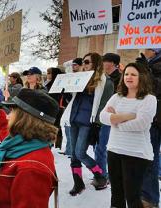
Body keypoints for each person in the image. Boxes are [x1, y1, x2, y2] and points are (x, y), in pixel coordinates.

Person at [0, 78, 58, 208]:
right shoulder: (23, 142)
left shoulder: (32, 170)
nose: (8, 115)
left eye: (13, 111)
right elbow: (3, 128)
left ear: (24, 118)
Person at [100, 62, 157, 208]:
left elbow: (141, 124)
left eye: (133, 74)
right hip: (114, 150)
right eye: (126, 74)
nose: (128, 77)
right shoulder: (116, 97)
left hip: (136, 153)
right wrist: (129, 116)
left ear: (142, 77)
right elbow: (102, 117)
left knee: (132, 196)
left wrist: (115, 119)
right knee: (116, 194)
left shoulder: (149, 99)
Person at [62, 52, 113, 195]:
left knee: (80, 152)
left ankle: (100, 175)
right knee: (73, 153)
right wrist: (66, 89)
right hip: (73, 118)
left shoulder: (104, 81)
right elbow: (71, 99)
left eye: (86, 62)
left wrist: (98, 124)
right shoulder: (79, 78)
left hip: (87, 121)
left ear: (95, 63)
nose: (83, 65)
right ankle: (78, 183)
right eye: (83, 62)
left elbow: (105, 104)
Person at [139, 48, 161, 208]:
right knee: (147, 158)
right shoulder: (147, 64)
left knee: (149, 159)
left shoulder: (154, 66)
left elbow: (156, 87)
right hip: (149, 118)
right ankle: (147, 197)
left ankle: (149, 198)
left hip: (156, 117)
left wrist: (146, 70)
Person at [94, 53, 120, 181]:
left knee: (102, 147)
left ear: (112, 63)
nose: (103, 63)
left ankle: (102, 174)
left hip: (111, 118)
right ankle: (101, 172)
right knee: (98, 146)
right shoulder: (102, 78)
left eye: (105, 61)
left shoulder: (119, 78)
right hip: (99, 116)